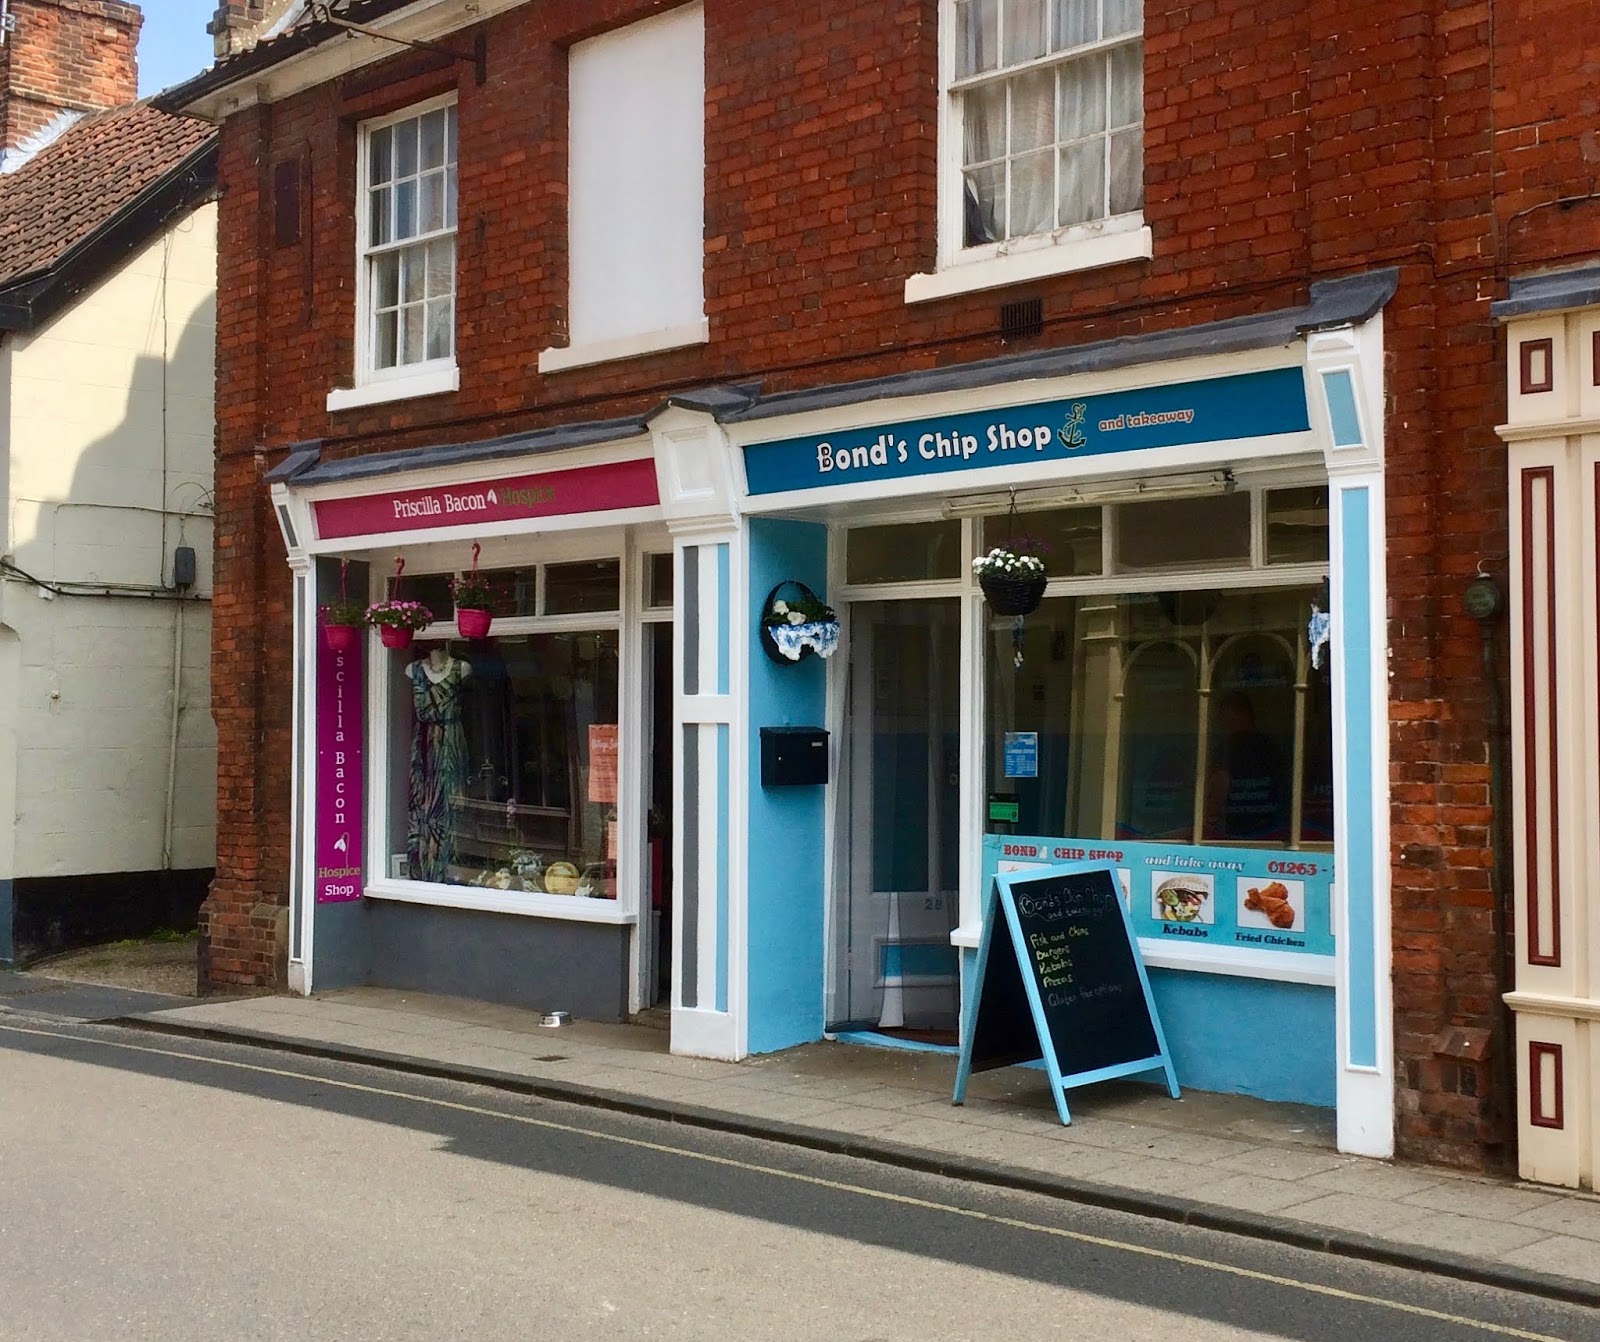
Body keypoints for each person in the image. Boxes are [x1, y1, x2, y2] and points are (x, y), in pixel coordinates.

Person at [1205, 690, 1287, 842]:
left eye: (1224, 715)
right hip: (1269, 831)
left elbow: (1218, 787)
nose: (1220, 721)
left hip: (1235, 831)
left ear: (1239, 714)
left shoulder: (1226, 748)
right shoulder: (1270, 746)